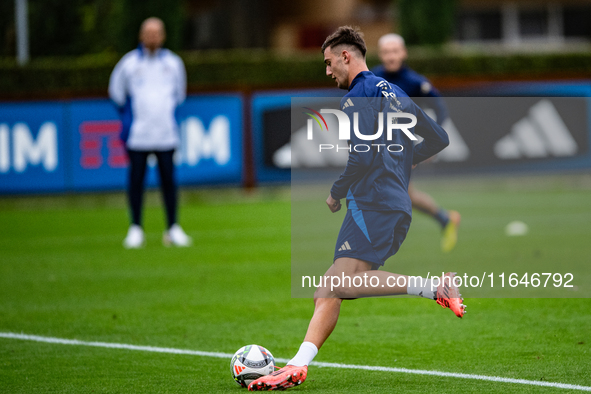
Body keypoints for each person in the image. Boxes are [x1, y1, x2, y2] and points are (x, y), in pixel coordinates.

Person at [248, 26, 465, 392]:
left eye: (329, 62)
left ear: (346, 56)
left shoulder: (358, 96)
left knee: (340, 283)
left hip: (374, 200)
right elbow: (439, 138)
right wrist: (405, 162)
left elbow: (361, 155)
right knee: (327, 289)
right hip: (390, 201)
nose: (327, 71)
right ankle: (297, 366)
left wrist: (336, 191)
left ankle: (434, 287)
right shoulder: (394, 92)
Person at [372, 33, 461, 253]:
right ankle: (445, 219)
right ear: (381, 54)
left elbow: (440, 110)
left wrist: (429, 144)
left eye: (395, 51)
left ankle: (377, 241)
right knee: (405, 194)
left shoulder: (415, 83)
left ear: (403, 53)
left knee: (390, 191)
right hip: (378, 146)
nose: (391, 56)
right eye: (386, 52)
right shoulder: (371, 78)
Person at [109, 17, 191, 248]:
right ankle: (136, 228)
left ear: (163, 36)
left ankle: (173, 228)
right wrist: (131, 118)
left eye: (157, 33)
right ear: (141, 36)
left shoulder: (174, 64)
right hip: (138, 135)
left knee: (169, 181)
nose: (153, 37)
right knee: (136, 180)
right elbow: (117, 94)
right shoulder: (129, 63)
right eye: (148, 33)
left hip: (166, 133)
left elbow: (180, 96)